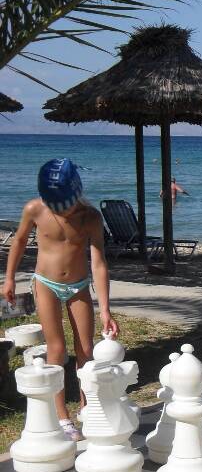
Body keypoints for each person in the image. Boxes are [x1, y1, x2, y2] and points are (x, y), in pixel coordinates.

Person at [2, 159, 119, 441]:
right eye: (54, 206)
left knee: (86, 349)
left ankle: (87, 408)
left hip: (79, 286)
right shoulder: (35, 209)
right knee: (56, 349)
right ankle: (62, 415)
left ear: (76, 195)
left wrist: (105, 309)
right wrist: (9, 278)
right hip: (46, 284)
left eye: (63, 206)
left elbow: (98, 262)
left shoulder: (90, 217)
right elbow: (19, 241)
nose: (59, 212)